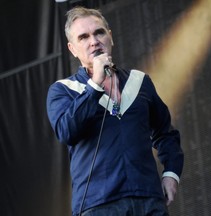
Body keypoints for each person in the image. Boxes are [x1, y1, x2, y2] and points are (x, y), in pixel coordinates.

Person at [46, 6, 184, 216]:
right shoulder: (63, 90)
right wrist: (95, 84)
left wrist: (171, 173)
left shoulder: (140, 82)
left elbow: (166, 133)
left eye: (99, 32)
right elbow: (66, 131)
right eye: (83, 37)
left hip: (148, 200)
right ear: (72, 49)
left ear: (110, 37)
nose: (94, 41)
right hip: (98, 205)